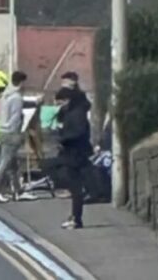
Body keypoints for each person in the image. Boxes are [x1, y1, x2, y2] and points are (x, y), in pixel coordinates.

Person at [0, 71, 36, 202]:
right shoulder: (16, 97)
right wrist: (18, 132)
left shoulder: (4, 96)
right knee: (5, 163)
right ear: (21, 83)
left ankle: (17, 191)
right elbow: (15, 117)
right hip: (11, 132)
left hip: (2, 130)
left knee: (12, 164)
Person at [55, 85, 93, 229]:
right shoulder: (72, 112)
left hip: (76, 153)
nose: (60, 106)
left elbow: (79, 132)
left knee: (75, 186)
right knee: (74, 184)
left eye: (61, 103)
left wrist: (64, 139)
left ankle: (76, 218)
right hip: (74, 152)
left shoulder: (77, 114)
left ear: (67, 100)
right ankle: (75, 216)